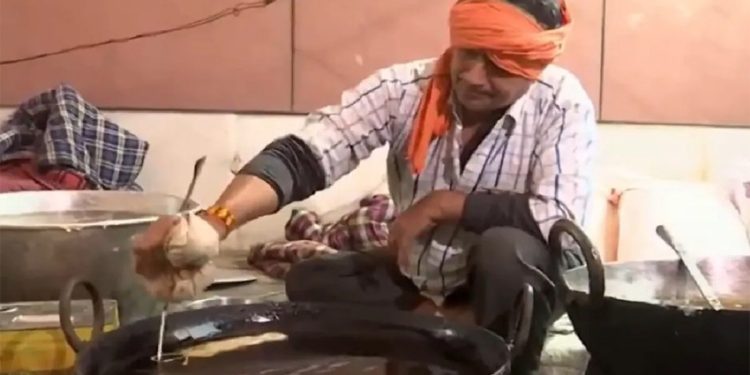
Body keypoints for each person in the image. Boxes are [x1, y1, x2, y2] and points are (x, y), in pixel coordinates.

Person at [133, 0, 596, 373]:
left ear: (535, 64)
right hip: (424, 277)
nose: (474, 76)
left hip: (507, 286)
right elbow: (308, 153)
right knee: (310, 280)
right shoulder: (405, 88)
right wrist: (215, 223)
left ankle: (499, 358)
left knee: (506, 250)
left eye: (498, 64)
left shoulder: (560, 103)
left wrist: (442, 206)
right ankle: (433, 327)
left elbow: (557, 214)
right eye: (469, 52)